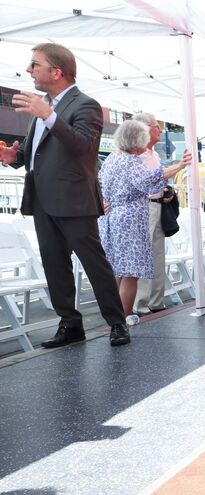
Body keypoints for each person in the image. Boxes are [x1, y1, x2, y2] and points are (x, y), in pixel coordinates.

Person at [0, 43, 130, 347]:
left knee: (93, 263)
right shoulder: (42, 105)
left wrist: (49, 116)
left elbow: (84, 147)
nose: (30, 70)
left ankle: (117, 322)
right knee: (54, 264)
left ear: (56, 71)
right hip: (43, 199)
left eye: (35, 64)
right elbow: (40, 151)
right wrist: (13, 158)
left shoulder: (85, 104)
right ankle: (70, 324)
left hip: (73, 199)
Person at [98, 120, 190, 325]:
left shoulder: (112, 158)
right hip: (130, 217)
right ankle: (124, 315)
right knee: (131, 271)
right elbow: (150, 180)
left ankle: (114, 314)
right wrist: (180, 165)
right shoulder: (131, 161)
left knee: (117, 268)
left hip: (111, 216)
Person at [131, 112, 169, 315]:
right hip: (144, 206)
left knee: (158, 253)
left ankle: (156, 300)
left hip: (158, 204)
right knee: (145, 254)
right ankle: (141, 302)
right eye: (156, 126)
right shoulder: (136, 155)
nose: (160, 130)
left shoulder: (154, 155)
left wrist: (167, 191)